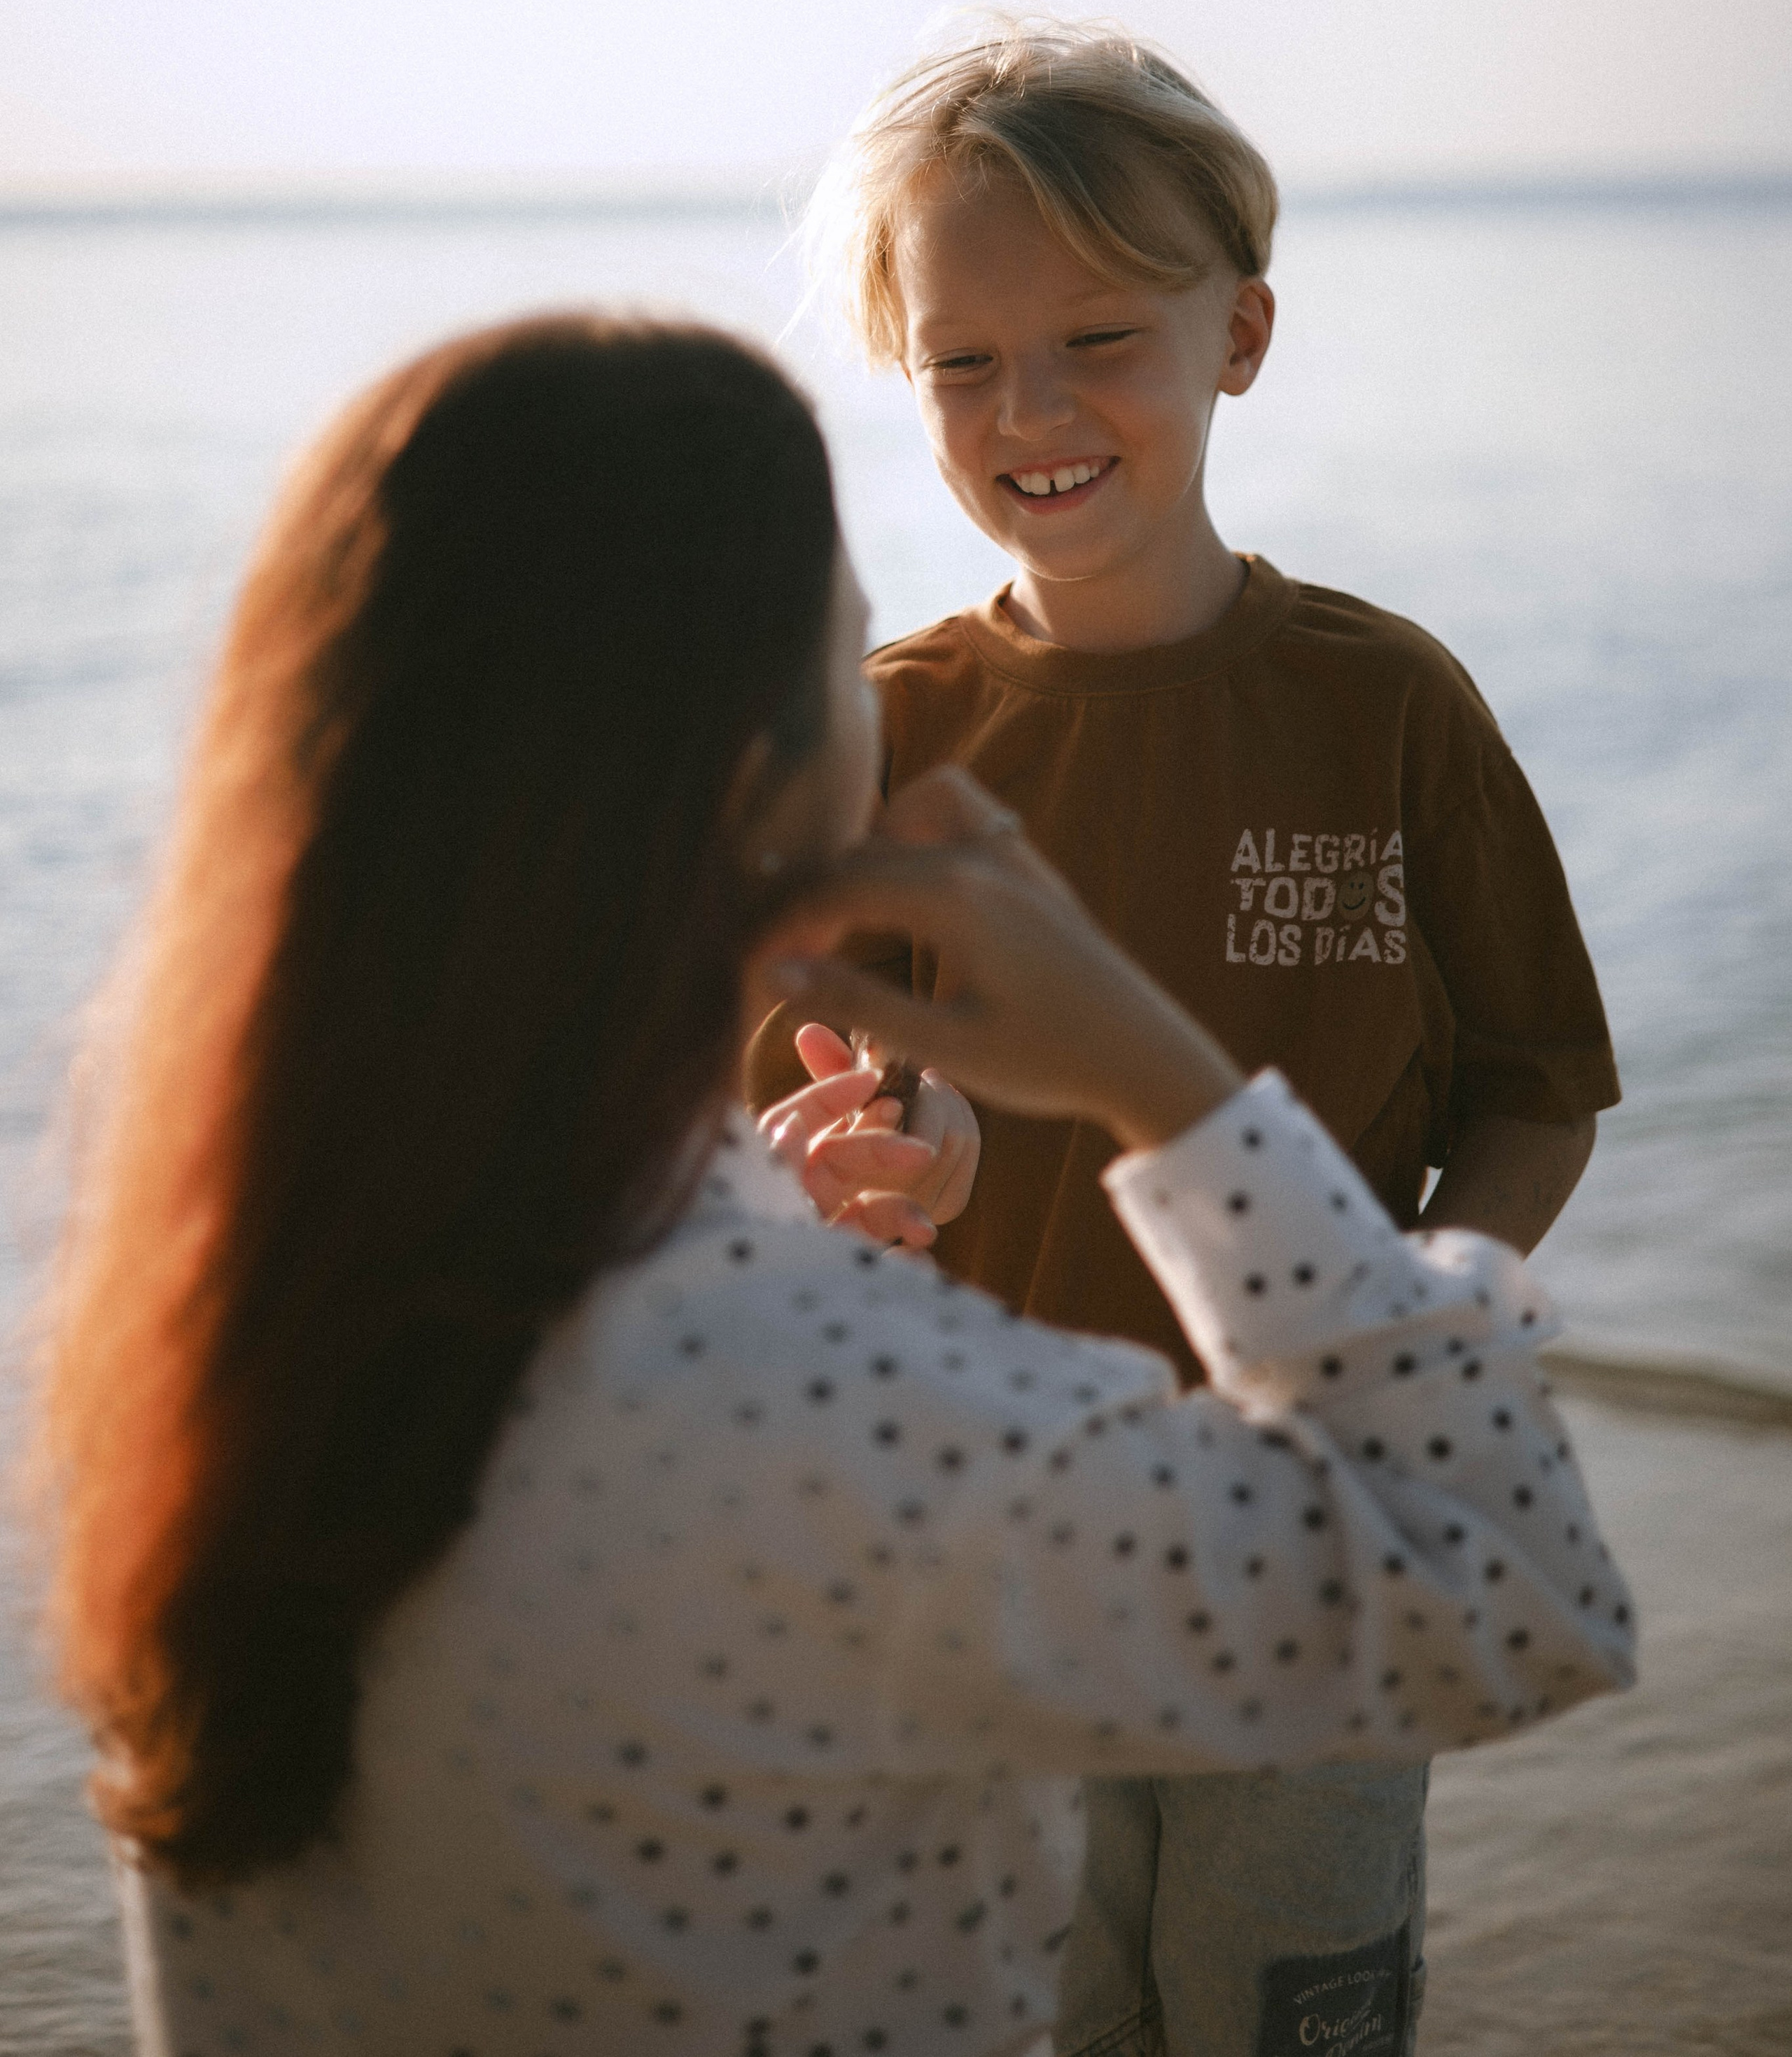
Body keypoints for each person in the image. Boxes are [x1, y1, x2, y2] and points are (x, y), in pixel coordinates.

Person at [36, 316, 1632, 2057]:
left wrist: (774, 1224)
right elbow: (1507, 1580)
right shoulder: (837, 1417)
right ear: (757, 782)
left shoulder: (223, 1342)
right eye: (846, 668)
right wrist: (1156, 1078)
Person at [749, 19, 1623, 2056]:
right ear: (909, 374)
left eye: (1099, 340)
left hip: (1308, 1550)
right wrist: (847, 1174)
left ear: (1238, 333)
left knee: (1277, 2009)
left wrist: (1410, 1317)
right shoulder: (882, 737)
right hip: (975, 1554)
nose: (1027, 409)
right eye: (964, 358)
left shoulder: (1384, 703)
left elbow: (1535, 1085)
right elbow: (751, 1131)